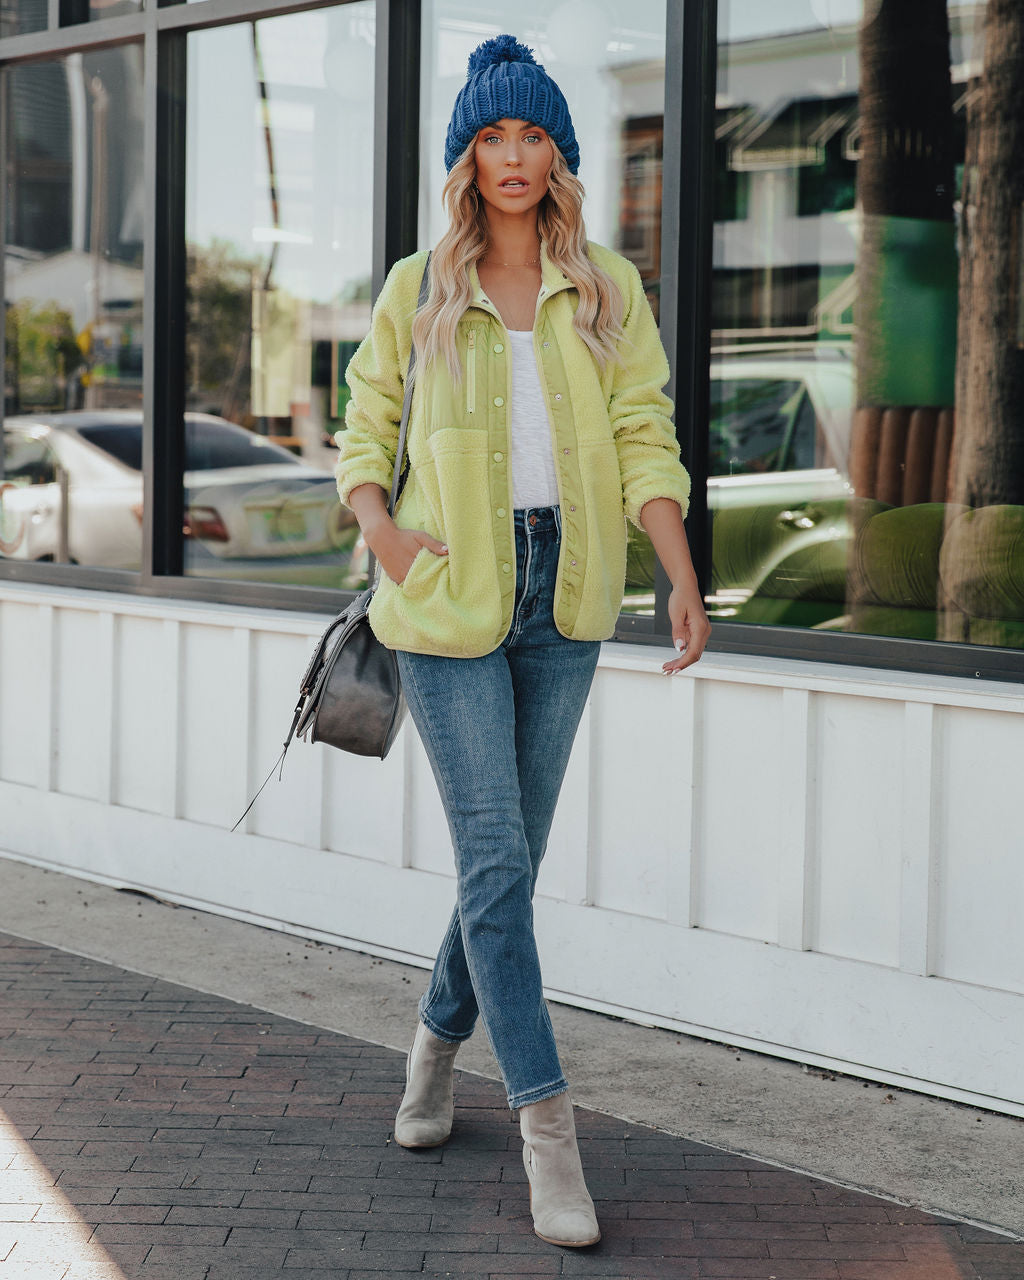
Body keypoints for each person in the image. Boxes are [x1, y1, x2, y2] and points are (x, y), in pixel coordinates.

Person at [335, 33, 710, 1249]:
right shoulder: (415, 286)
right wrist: (385, 534)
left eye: (531, 134)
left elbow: (646, 429)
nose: (510, 156)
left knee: (506, 868)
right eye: (490, 136)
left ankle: (436, 1048)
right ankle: (549, 1130)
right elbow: (365, 426)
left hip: (569, 595)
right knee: (495, 861)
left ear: (559, 151)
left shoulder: (605, 284)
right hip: (447, 598)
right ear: (464, 156)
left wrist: (679, 569)